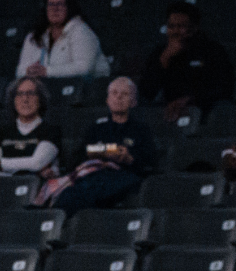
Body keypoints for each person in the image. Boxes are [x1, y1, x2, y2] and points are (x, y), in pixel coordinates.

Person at [44, 76, 157, 213]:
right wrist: (98, 152)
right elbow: (78, 156)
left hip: (124, 175)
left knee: (88, 191)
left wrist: (129, 158)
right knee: (72, 191)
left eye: (125, 94)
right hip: (94, 174)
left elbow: (150, 162)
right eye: (114, 93)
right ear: (107, 100)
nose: (119, 97)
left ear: (133, 102)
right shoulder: (96, 128)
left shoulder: (141, 130)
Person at [137, 1, 233, 118]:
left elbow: (224, 87)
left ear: (194, 28)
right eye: (171, 26)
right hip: (169, 111)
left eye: (181, 26)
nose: (175, 31)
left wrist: (191, 99)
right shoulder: (160, 52)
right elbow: (146, 92)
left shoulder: (213, 50)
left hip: (204, 108)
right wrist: (164, 60)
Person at [0, 77, 64, 176]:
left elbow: (36, 163)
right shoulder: (0, 132)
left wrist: (0, 164)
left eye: (31, 93)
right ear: (13, 101)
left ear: (40, 99)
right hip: (4, 185)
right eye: (19, 94)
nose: (25, 99)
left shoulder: (51, 131)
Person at [20, 0, 106, 80]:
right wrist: (29, 71)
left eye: (60, 4)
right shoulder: (34, 36)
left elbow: (84, 68)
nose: (55, 9)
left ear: (69, 7)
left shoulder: (81, 30)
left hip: (82, 89)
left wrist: (47, 71)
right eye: (51, 4)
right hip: (46, 89)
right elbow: (20, 71)